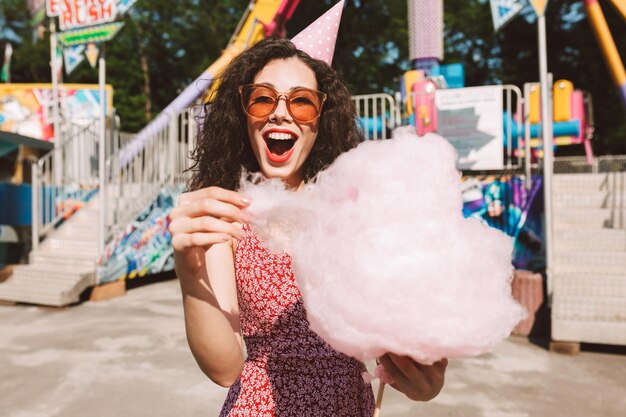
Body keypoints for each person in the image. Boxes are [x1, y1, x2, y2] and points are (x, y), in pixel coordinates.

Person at [169, 36, 447, 416]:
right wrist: (189, 268)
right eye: (263, 98)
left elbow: (401, 342)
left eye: (301, 102)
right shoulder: (227, 212)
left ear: (321, 119)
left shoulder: (355, 209)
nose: (280, 114)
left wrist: (422, 378)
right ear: (243, 114)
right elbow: (224, 368)